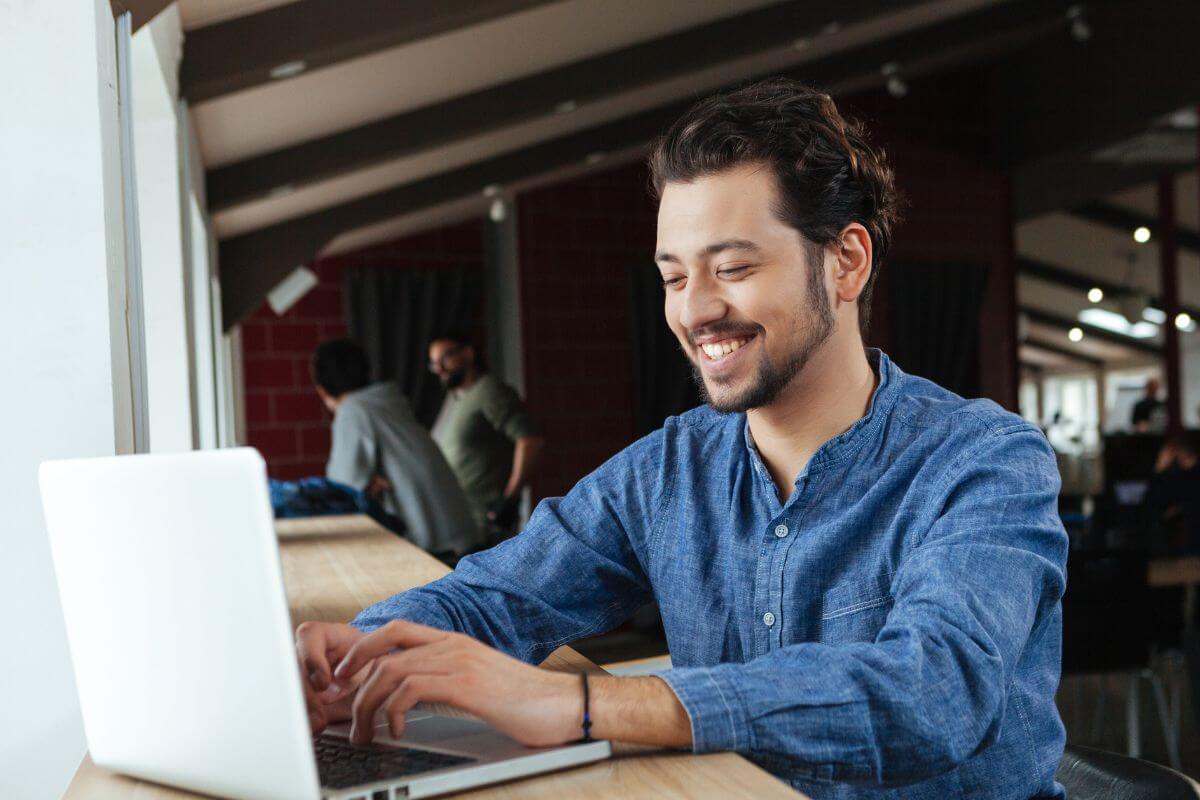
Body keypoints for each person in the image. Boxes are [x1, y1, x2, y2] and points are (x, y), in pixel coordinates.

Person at [297, 80, 1068, 798]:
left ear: (846, 262)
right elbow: (497, 597)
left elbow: (931, 694)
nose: (696, 311)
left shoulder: (984, 461)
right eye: (673, 277)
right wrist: (359, 658)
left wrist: (585, 706)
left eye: (731, 267)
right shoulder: (671, 469)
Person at [313, 339, 482, 560]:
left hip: (440, 552)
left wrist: (363, 489)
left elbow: (340, 494)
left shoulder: (354, 409)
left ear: (322, 390)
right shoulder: (387, 400)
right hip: (461, 536)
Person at [427, 332, 543, 538]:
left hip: (487, 520)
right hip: (458, 517)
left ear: (468, 354)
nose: (439, 369)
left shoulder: (491, 391)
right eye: (434, 363)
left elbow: (530, 441)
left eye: (445, 358)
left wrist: (510, 498)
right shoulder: (455, 396)